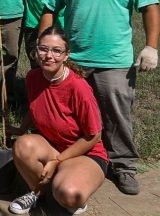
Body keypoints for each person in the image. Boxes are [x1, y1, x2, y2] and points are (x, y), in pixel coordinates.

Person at [39, 0, 160, 195]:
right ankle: (72, 161)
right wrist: (45, 44)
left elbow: (150, 8)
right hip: (73, 60)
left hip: (114, 61)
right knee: (69, 116)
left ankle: (123, 166)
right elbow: (49, 8)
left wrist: (151, 46)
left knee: (116, 114)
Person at [6, 27, 107, 215]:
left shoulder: (79, 87)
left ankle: (68, 185)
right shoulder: (33, 77)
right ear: (36, 50)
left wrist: (57, 160)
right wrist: (21, 129)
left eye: (56, 50)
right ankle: (38, 192)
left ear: (66, 55)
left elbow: (94, 135)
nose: (48, 56)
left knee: (69, 196)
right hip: (52, 145)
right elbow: (35, 105)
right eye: (43, 49)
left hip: (85, 153)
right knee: (22, 145)